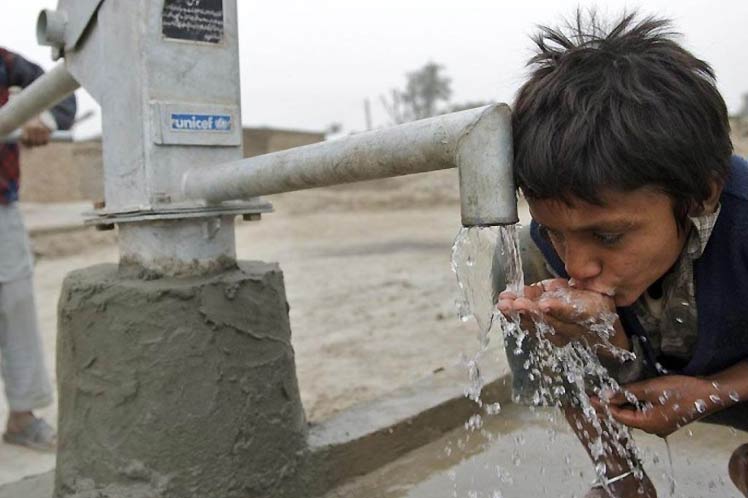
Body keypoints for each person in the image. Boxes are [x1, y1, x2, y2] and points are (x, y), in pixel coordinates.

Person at [496, 12, 748, 498]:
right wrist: (597, 335)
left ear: (700, 195)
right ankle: (622, 482)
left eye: (608, 237)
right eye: (557, 231)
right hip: (666, 368)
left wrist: (715, 391)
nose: (577, 266)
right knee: (523, 272)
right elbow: (605, 361)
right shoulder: (546, 248)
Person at [0, 47, 76, 451]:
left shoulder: (6, 64)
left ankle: (22, 417)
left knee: (16, 306)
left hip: (0, 207)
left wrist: (36, 114)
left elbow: (61, 90)